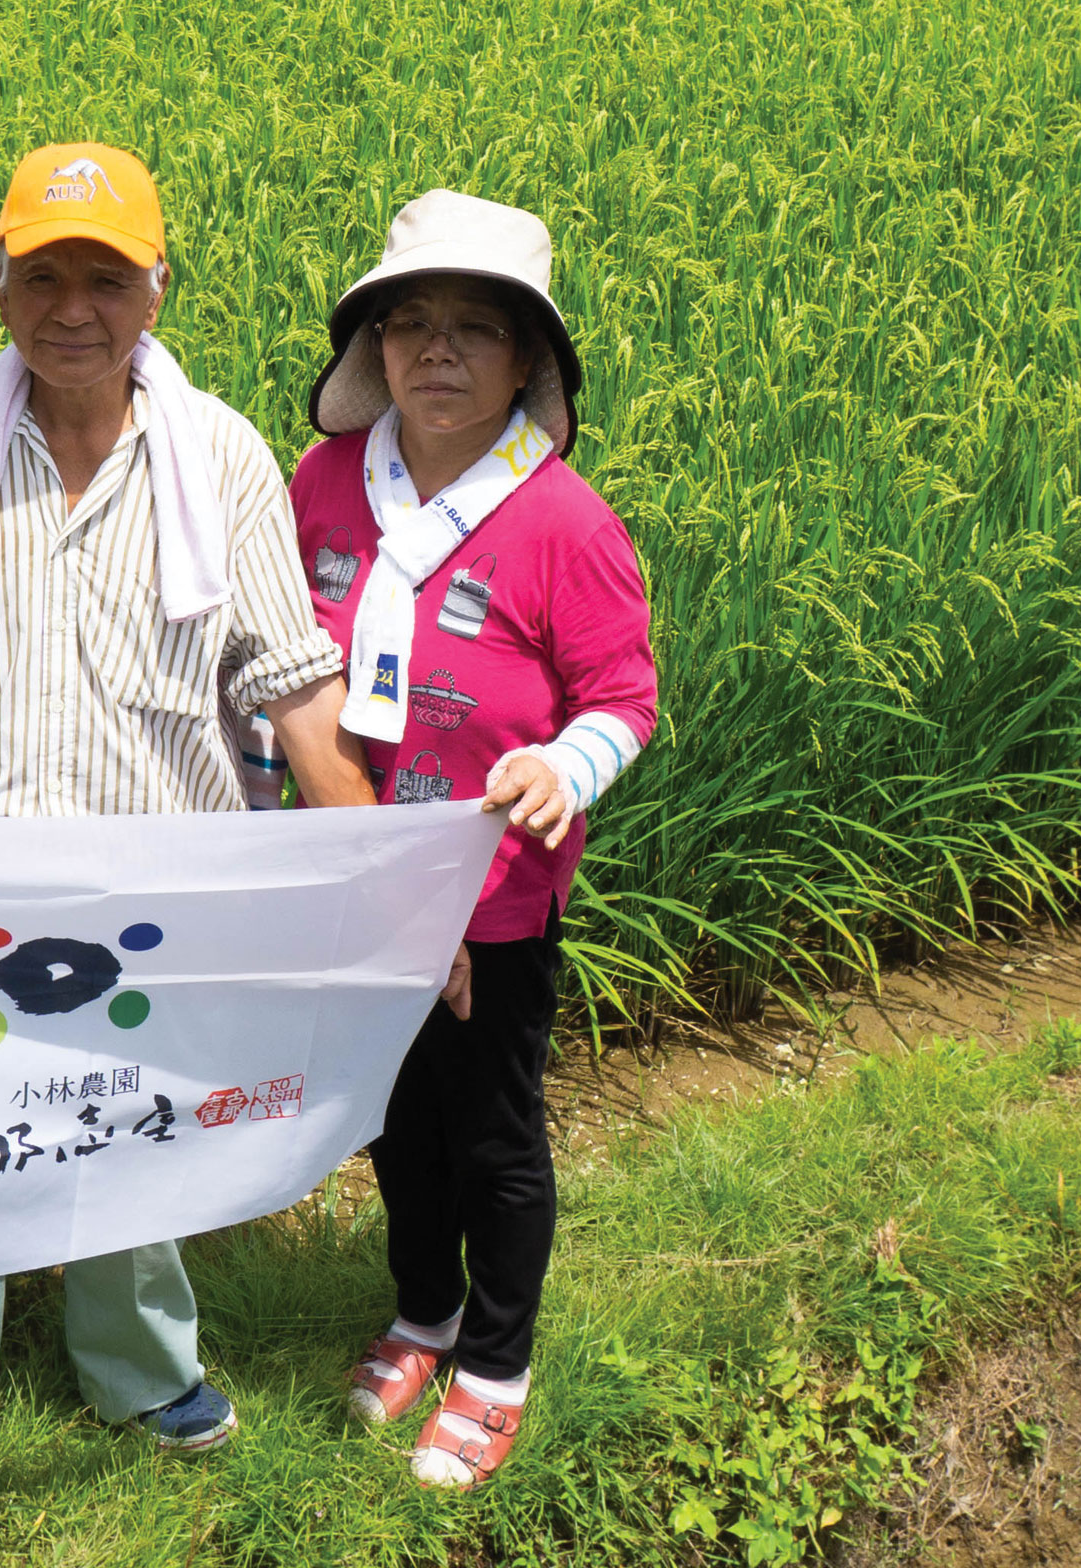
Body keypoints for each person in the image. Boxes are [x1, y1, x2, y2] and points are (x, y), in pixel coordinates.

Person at [0, 142, 379, 1545]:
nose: (70, 305)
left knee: (134, 1134)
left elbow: (290, 679)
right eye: (41, 274)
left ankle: (140, 1371)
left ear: (158, 284)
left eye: (103, 275)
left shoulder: (219, 455)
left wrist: (385, 890)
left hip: (159, 881)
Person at [290, 190, 659, 1487]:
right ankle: (423, 1311)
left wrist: (566, 767)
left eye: (475, 330)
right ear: (372, 348)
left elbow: (627, 700)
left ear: (528, 363)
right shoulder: (328, 485)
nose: (436, 352)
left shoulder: (566, 523)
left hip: (492, 898)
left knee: (492, 1132)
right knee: (392, 1115)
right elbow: (281, 663)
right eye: (410, 323)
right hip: (354, 880)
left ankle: (495, 1363)